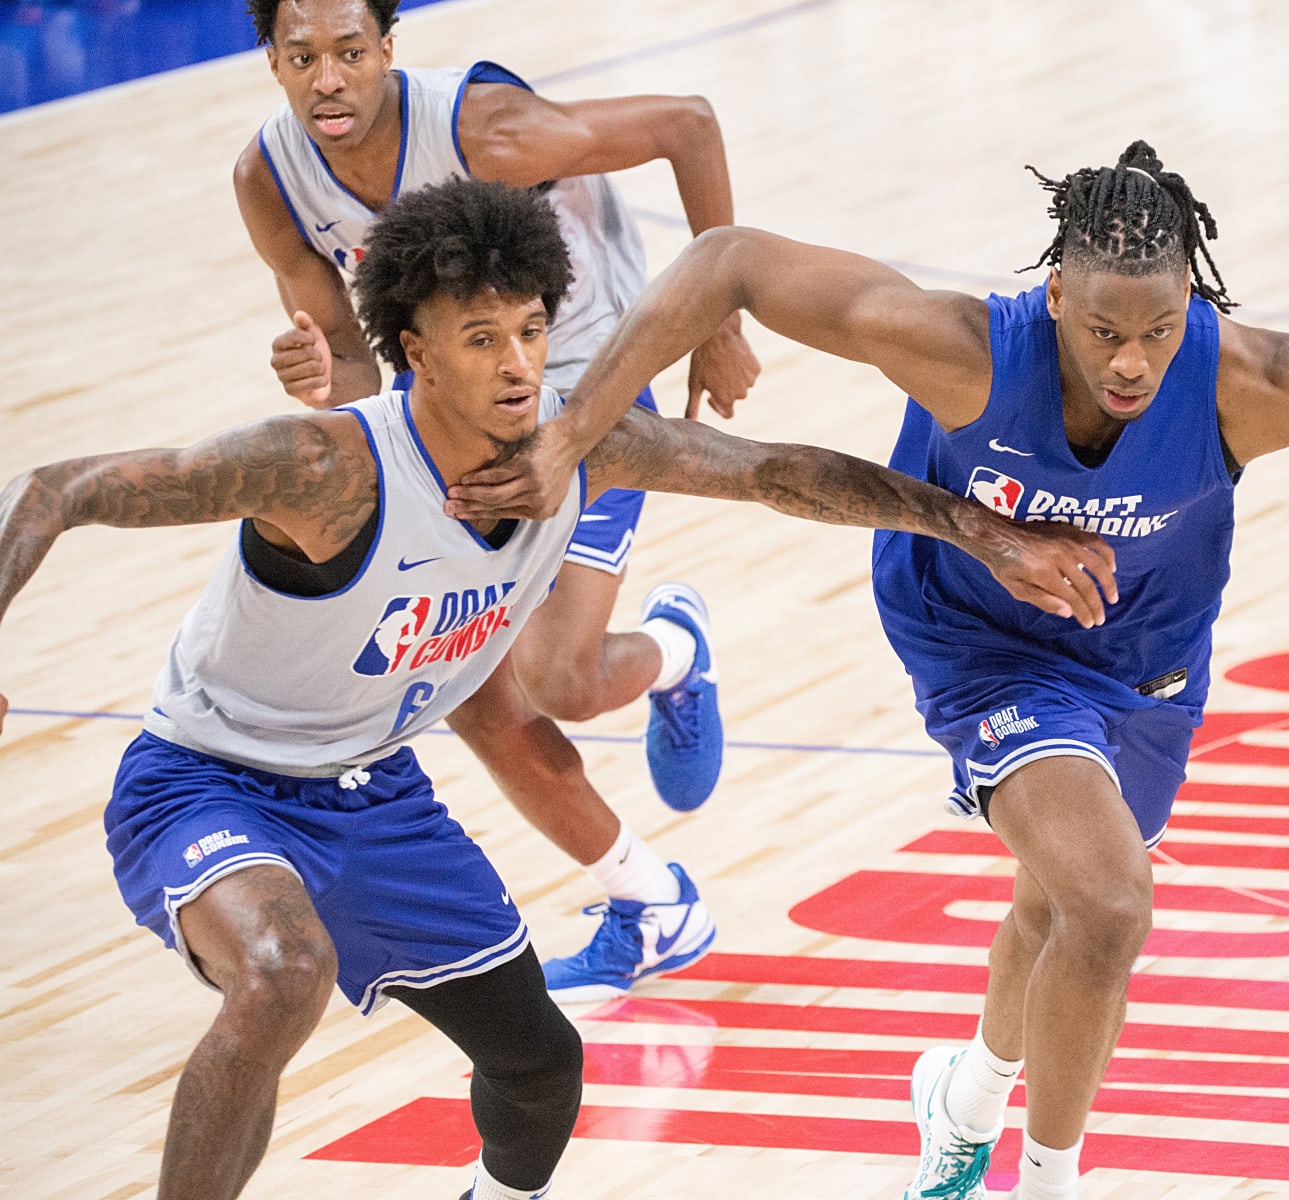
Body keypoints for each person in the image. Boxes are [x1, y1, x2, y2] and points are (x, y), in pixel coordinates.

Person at [441, 140, 1289, 1200]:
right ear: (1055, 300)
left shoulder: (1261, 381)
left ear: (1192, 304)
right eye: (1102, 332)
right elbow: (727, 256)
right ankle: (1053, 1179)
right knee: (1107, 901)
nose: (1132, 359)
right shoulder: (968, 352)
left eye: (1156, 330)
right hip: (975, 641)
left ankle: (965, 1104)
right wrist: (571, 430)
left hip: (1145, 660)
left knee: (1057, 910)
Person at [0, 177, 1111, 1200]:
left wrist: (976, 531)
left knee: (541, 1072)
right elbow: (55, 490)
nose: (519, 363)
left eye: (530, 329)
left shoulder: (579, 447)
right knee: (287, 972)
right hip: (208, 781)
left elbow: (780, 471)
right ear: (412, 350)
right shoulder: (326, 468)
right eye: (481, 338)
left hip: (375, 794)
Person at [233, 0, 765, 999]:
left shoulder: (483, 130)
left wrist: (715, 321)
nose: (330, 79)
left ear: (389, 49)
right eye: (303, 57)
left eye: (351, 53)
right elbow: (352, 362)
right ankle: (653, 903)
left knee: (558, 680)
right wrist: (317, 369)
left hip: (587, 387)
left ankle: (676, 654)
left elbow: (686, 123)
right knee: (468, 688)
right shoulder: (268, 178)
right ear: (271, 60)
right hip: (442, 411)